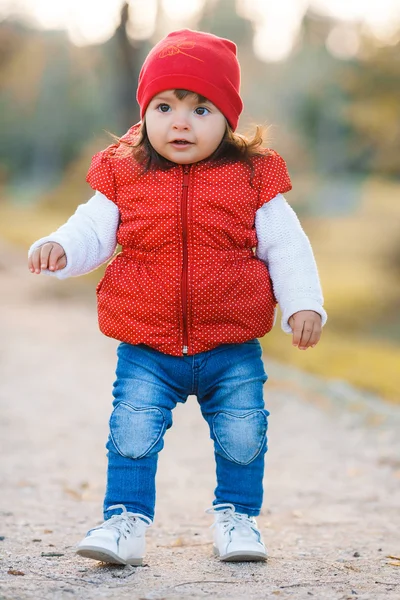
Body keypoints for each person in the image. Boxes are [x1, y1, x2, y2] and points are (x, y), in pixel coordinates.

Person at [28, 29, 327, 566]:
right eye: (164, 106)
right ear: (145, 113)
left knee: (243, 432)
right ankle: (124, 521)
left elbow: (288, 246)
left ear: (228, 120)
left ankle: (237, 519)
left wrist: (303, 302)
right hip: (148, 344)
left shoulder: (250, 177)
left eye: (202, 108)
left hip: (230, 346)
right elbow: (92, 229)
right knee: (132, 431)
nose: (181, 122)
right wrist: (60, 247)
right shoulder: (125, 171)